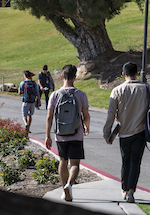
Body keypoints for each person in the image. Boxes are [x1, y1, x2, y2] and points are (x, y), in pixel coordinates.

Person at [103, 61, 150, 203]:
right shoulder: (147, 88)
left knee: (125, 162)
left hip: (124, 132)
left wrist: (107, 132)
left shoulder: (117, 91)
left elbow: (110, 114)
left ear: (123, 74)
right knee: (136, 162)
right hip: (140, 132)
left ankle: (124, 189)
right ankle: (131, 191)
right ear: (136, 73)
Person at [45, 64, 90, 202]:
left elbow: (49, 117)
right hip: (76, 134)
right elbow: (86, 115)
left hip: (60, 135)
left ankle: (65, 188)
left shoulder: (55, 95)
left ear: (62, 76)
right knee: (75, 163)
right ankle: (70, 184)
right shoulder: (81, 95)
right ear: (75, 77)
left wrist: (47, 136)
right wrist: (87, 127)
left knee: (63, 161)